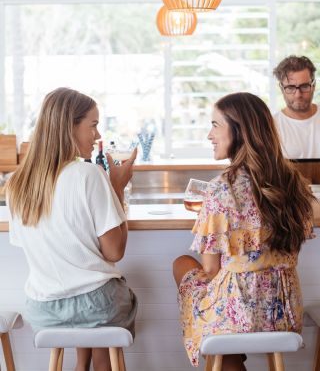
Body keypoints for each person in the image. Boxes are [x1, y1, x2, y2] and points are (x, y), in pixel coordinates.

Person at [173, 92, 314, 370]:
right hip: (285, 311)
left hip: (241, 314)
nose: (208, 135)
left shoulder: (221, 188)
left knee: (182, 265)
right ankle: (232, 354)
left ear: (239, 131)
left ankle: (231, 356)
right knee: (227, 323)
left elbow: (211, 270)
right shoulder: (295, 183)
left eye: (215, 125)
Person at [6, 87, 138, 371]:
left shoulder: (16, 184)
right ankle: (98, 363)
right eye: (93, 125)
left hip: (44, 311)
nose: (99, 135)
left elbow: (65, 253)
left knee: (83, 289)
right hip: (97, 306)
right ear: (70, 126)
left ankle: (82, 365)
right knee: (99, 295)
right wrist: (116, 186)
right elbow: (114, 252)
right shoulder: (88, 174)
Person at [273, 55, 320, 158]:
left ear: (313, 85)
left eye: (304, 86)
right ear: (282, 89)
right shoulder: (272, 126)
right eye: (290, 87)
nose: (298, 95)